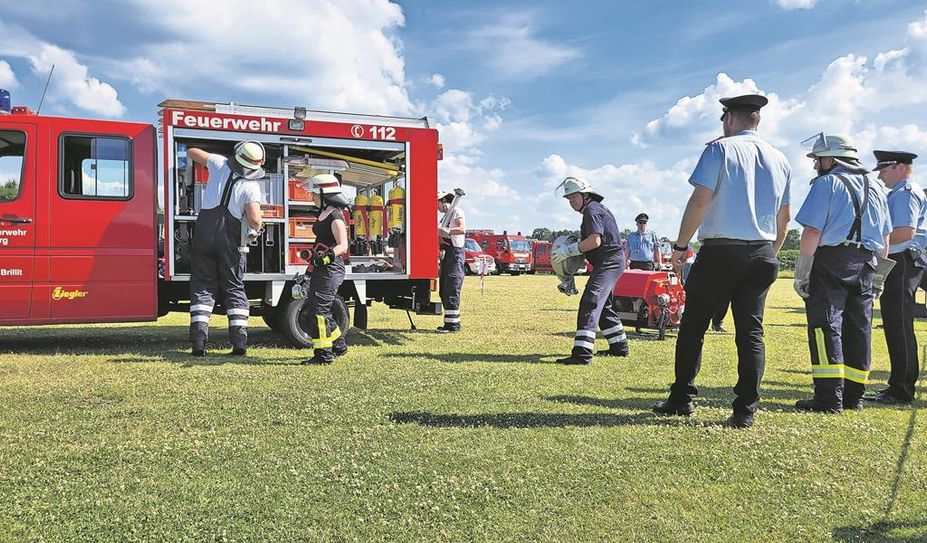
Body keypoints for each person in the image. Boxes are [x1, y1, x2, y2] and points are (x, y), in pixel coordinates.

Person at [653, 94, 791, 429]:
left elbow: (700, 201)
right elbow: (784, 219)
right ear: (756, 120)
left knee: (693, 327)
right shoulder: (780, 159)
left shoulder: (719, 149)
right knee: (751, 332)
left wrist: (681, 245)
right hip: (761, 250)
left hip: (720, 250)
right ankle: (745, 410)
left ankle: (682, 398)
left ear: (729, 118)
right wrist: (768, 253)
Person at [791, 134, 892, 412]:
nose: (815, 166)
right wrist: (879, 276)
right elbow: (885, 238)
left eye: (817, 160)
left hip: (831, 261)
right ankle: (854, 397)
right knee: (859, 329)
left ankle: (828, 398)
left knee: (826, 327)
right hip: (867, 264)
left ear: (831, 159)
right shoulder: (877, 187)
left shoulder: (827, 184)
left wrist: (802, 272)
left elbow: (812, 231)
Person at [186, 141, 265, 357]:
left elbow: (192, 151)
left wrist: (210, 158)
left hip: (204, 234)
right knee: (234, 287)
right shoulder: (251, 186)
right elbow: (255, 219)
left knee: (202, 286)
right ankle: (239, 343)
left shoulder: (218, 163)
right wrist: (258, 226)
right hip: (230, 241)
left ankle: (199, 343)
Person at [867, 150, 926, 405]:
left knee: (898, 325)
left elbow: (904, 232)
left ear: (900, 168)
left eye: (884, 169)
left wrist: (875, 247)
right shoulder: (902, 191)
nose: (880, 175)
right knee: (896, 324)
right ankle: (899, 385)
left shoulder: (904, 193)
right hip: (902, 260)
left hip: (901, 262)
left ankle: (901, 389)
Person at [551, 176, 630, 364]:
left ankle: (582, 354)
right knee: (604, 306)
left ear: (585, 195)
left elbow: (595, 241)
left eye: (574, 197)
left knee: (591, 301)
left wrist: (568, 250)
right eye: (569, 199)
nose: (571, 202)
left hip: (609, 262)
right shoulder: (595, 209)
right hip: (611, 261)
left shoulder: (592, 211)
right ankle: (619, 347)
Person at [302, 173, 351, 365]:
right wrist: (310, 269)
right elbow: (319, 244)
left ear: (325, 195)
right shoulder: (322, 214)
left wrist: (328, 256)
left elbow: (343, 245)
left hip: (332, 269)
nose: (312, 197)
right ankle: (339, 346)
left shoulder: (336, 216)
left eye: (315, 193)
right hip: (321, 268)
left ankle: (323, 355)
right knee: (320, 308)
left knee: (319, 312)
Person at [437, 189, 466, 333]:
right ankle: (448, 323)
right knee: (444, 289)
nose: (436, 207)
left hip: (455, 255)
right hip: (447, 255)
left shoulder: (457, 211)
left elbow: (461, 229)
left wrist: (446, 231)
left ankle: (454, 325)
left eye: (437, 204)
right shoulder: (444, 218)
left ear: (443, 201)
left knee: (452, 288)